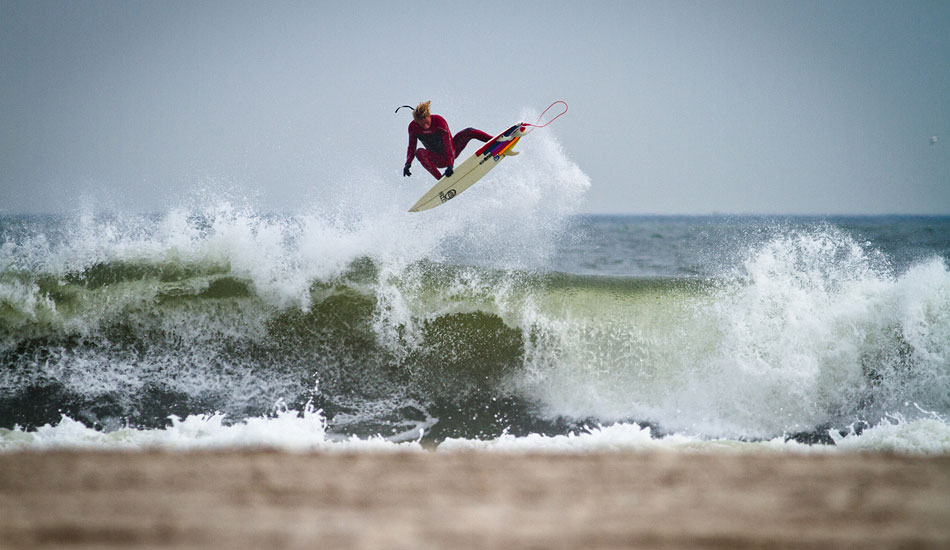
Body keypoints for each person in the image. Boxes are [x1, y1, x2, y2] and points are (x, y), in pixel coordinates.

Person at [403, 101, 492, 180]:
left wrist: (450, 165)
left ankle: (495, 140)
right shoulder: (413, 127)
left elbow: (448, 144)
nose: (426, 126)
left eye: (427, 123)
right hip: (438, 159)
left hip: (451, 152)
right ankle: (441, 179)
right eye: (422, 125)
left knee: (469, 131)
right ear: (416, 122)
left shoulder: (439, 121)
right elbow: (411, 147)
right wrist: (408, 163)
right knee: (419, 152)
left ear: (429, 116)